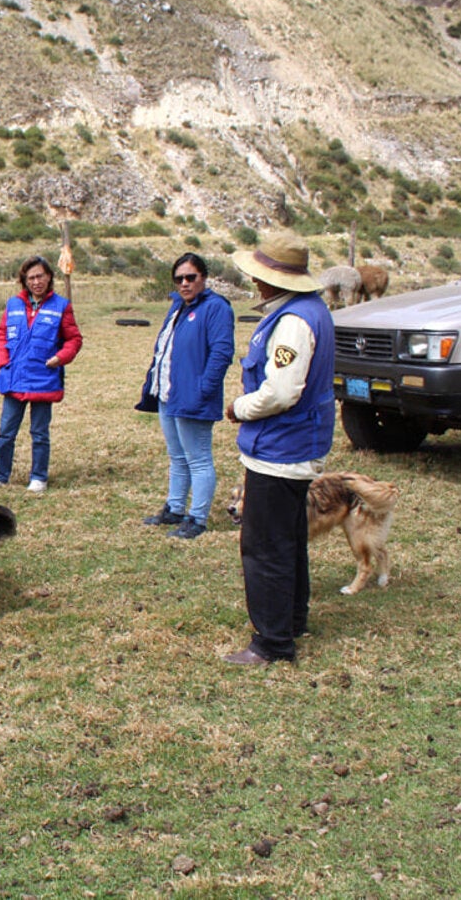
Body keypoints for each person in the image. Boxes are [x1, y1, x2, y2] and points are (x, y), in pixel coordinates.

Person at [223, 231, 335, 665]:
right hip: (293, 444)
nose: (255, 283)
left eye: (259, 275)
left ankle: (271, 643)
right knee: (288, 539)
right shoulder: (309, 311)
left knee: (265, 545)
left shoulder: (293, 321)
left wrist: (239, 407)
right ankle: (291, 620)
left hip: (282, 446)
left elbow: (281, 391)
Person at [137, 253, 236, 539]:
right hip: (170, 394)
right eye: (179, 278)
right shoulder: (179, 306)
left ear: (204, 278)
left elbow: (221, 353)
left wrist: (203, 390)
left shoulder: (217, 308)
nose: (184, 283)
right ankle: (175, 508)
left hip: (194, 397)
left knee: (199, 458)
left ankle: (198, 517)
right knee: (177, 456)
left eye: (190, 277)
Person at [0, 255, 83, 494]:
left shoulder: (61, 306)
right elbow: (1, 335)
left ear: (49, 277)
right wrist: (2, 361)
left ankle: (38, 477)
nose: (36, 281)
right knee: (6, 432)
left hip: (44, 379)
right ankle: (0, 475)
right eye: (31, 278)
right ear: (24, 281)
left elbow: (74, 339)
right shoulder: (13, 304)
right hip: (14, 377)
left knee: (39, 433)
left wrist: (60, 358)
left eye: (40, 276)